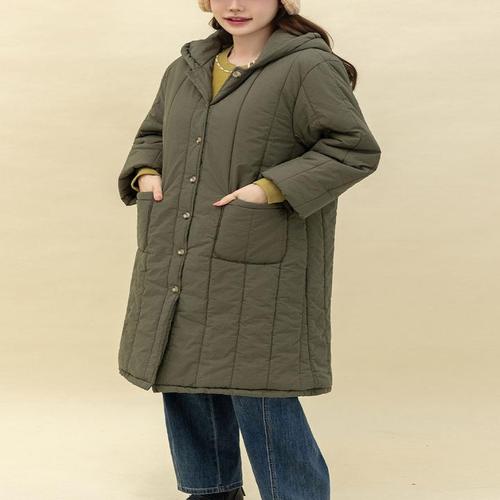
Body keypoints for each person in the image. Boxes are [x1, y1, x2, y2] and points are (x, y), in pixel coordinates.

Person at [116, 1, 382, 498]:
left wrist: (268, 189)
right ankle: (213, 491)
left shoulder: (308, 66)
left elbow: (352, 148)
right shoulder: (185, 68)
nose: (235, 5)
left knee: (260, 390)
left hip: (260, 256)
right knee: (183, 379)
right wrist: (146, 173)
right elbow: (153, 133)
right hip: (179, 248)